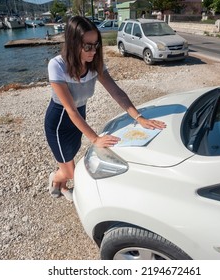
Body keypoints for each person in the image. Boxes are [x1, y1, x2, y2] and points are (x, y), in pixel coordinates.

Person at [44, 16, 166, 201]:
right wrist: (95, 139)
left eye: (96, 44)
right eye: (87, 46)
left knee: (68, 156)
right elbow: (70, 110)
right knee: (70, 171)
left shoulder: (95, 65)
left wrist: (139, 118)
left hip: (80, 116)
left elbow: (117, 92)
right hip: (60, 121)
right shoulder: (57, 65)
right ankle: (57, 179)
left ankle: (59, 184)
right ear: (73, 43)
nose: (93, 51)